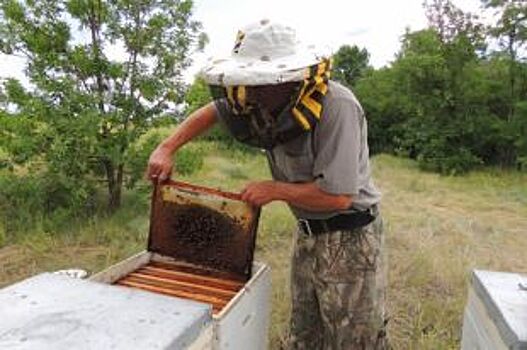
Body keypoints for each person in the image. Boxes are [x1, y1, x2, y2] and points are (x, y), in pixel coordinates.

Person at [147, 19, 387, 350]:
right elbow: (214, 111)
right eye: (247, 80)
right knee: (305, 333)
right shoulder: (259, 101)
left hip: (351, 238)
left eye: (260, 81)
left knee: (352, 338)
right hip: (308, 232)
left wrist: (274, 190)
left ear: (288, 77)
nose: (251, 90)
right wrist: (166, 147)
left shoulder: (337, 106)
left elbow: (340, 197)